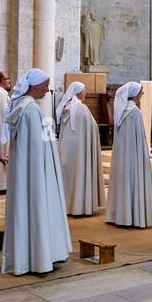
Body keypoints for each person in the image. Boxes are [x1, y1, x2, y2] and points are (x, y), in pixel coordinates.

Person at [0, 68, 71, 275]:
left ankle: (29, 256)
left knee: (26, 208)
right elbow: (40, 146)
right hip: (36, 171)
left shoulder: (21, 106)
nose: (47, 90)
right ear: (35, 86)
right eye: (45, 85)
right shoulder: (31, 110)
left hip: (27, 170)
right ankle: (38, 257)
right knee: (36, 205)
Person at [105, 81, 152, 229]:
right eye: (141, 93)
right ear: (135, 95)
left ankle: (119, 215)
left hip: (122, 158)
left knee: (122, 183)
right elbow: (140, 139)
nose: (142, 96)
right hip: (133, 157)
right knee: (133, 181)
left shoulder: (121, 111)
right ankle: (133, 216)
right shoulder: (135, 112)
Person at [56, 81, 104, 216]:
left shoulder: (67, 107)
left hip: (66, 150)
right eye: (84, 91)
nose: (86, 93)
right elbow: (92, 127)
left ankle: (66, 206)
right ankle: (79, 207)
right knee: (80, 175)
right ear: (79, 93)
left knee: (68, 177)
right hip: (80, 151)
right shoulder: (81, 109)